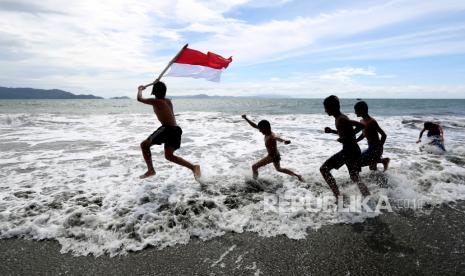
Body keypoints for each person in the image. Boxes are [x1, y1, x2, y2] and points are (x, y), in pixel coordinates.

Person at [137, 81, 201, 179]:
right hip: (176, 129)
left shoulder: (156, 101)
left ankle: (151, 170)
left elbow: (139, 99)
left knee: (144, 145)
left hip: (167, 129)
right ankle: (193, 167)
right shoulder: (167, 101)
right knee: (169, 156)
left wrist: (140, 90)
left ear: (154, 92)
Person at [320, 95, 370, 199]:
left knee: (324, 169)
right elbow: (345, 131)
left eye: (326, 107)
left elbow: (361, 126)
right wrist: (332, 131)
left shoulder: (341, 119)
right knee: (354, 177)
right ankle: (367, 195)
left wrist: (347, 138)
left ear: (332, 107)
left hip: (349, 151)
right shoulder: (340, 118)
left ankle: (337, 195)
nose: (325, 110)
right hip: (352, 150)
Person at [242, 114, 304, 182]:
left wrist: (284, 141)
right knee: (279, 169)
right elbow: (255, 126)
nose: (260, 131)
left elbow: (277, 138)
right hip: (276, 155)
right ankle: (298, 176)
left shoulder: (271, 136)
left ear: (266, 128)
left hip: (272, 156)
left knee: (254, 167)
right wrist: (246, 118)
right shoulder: (266, 132)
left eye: (261, 130)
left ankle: (254, 181)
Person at [354, 101, 390, 171]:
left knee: (357, 163)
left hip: (375, 148)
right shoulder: (362, 121)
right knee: (372, 169)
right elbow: (363, 134)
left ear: (362, 110)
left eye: (356, 110)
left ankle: (383, 161)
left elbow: (384, 135)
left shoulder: (372, 122)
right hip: (370, 147)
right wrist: (356, 140)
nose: (355, 112)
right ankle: (382, 163)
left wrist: (379, 148)